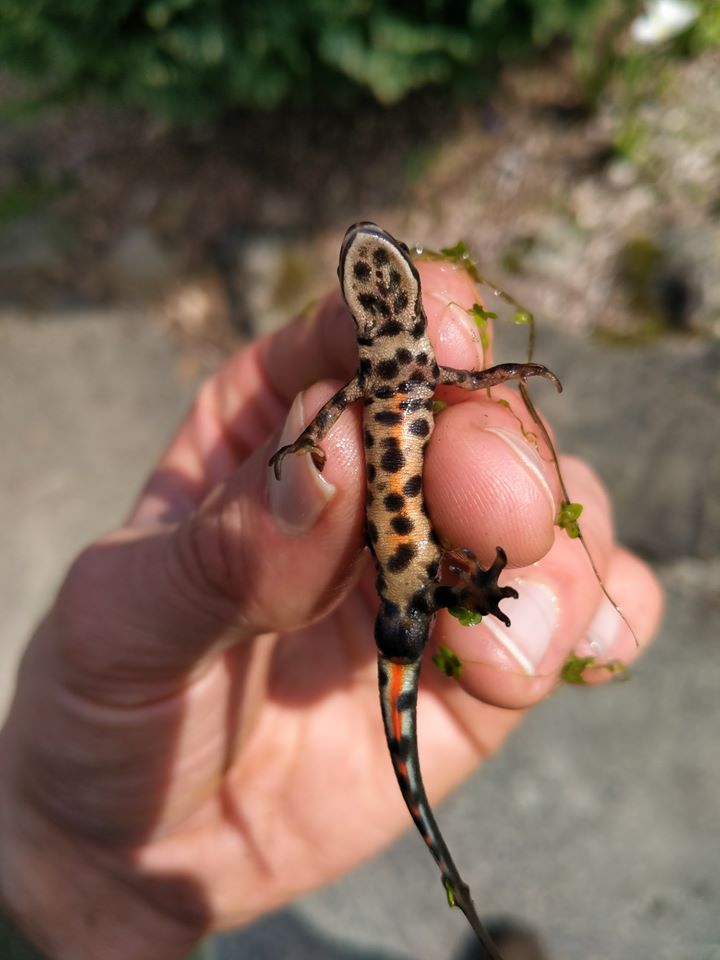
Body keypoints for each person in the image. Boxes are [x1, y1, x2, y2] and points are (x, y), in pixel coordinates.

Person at [0, 257, 662, 960]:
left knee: (430, 590)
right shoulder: (383, 366)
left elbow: (435, 387)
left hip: (402, 561)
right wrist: (315, 439)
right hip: (406, 560)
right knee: (436, 581)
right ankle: (465, 621)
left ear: (398, 311)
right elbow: (393, 400)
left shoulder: (388, 368)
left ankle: (466, 603)